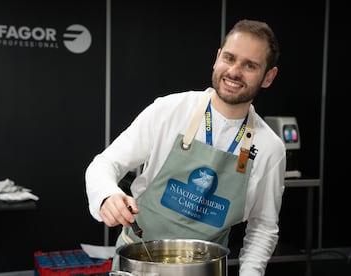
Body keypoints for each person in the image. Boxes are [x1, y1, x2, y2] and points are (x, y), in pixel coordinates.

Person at [85, 19, 286, 276]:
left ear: (268, 76)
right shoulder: (169, 110)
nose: (234, 71)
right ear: (217, 59)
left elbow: (263, 227)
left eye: (250, 65)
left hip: (205, 269)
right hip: (138, 264)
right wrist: (106, 196)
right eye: (229, 58)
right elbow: (104, 164)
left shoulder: (269, 148)